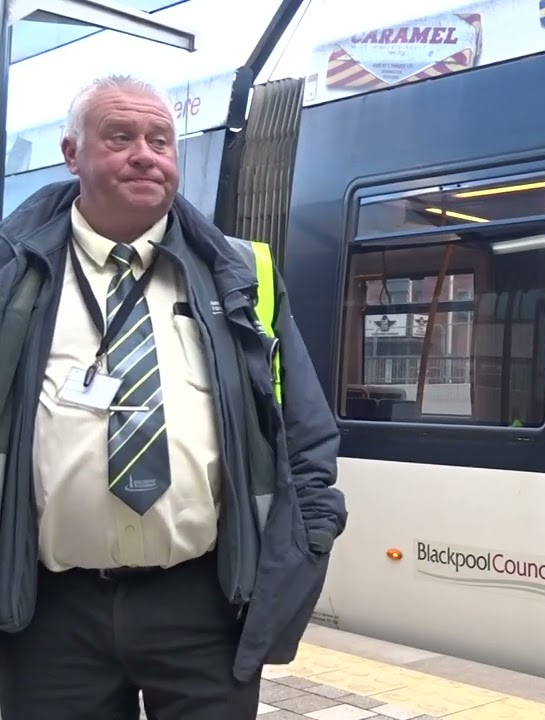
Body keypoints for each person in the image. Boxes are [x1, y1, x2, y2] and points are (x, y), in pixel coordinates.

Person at [0, 75, 346, 719]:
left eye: (160, 139)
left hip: (206, 608)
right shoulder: (13, 275)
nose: (145, 153)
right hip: (48, 615)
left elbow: (305, 435)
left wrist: (311, 539)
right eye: (120, 136)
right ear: (72, 154)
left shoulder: (242, 276)